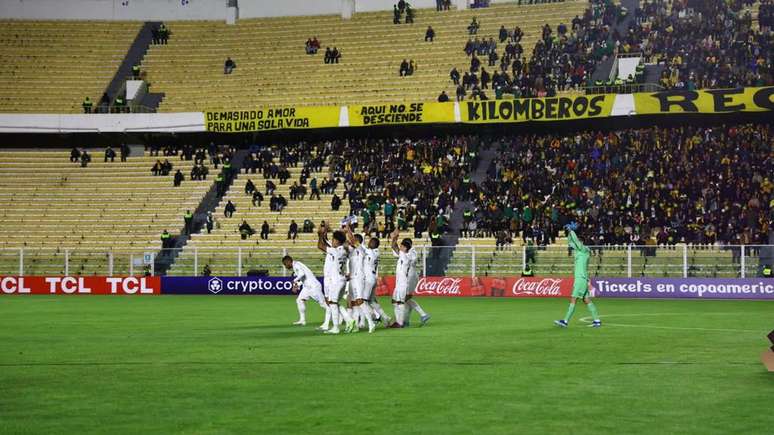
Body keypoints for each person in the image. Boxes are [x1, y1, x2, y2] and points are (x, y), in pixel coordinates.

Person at [555, 223, 601, 328]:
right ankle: (597, 320)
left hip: (580, 279)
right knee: (586, 300)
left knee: (573, 299)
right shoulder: (579, 250)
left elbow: (575, 241)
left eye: (579, 241)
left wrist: (572, 231)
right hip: (582, 278)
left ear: (582, 242)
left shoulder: (584, 250)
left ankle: (565, 321)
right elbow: (571, 242)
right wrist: (568, 232)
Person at [317, 224, 355, 334]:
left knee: (333, 303)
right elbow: (353, 243)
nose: (332, 241)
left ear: (337, 241)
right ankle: (349, 320)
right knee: (334, 302)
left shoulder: (335, 251)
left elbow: (320, 246)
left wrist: (320, 235)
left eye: (333, 239)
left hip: (336, 281)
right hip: (342, 279)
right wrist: (348, 232)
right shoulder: (345, 250)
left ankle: (336, 328)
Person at [389, 230, 429, 327]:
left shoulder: (409, 254)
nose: (400, 247)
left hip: (408, 278)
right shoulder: (406, 253)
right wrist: (394, 238)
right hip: (406, 278)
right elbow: (395, 247)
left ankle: (403, 321)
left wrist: (394, 238)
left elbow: (397, 249)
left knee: (404, 299)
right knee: (403, 300)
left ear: (406, 247)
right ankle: (405, 320)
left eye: (402, 245)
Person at [344, 225, 377, 333]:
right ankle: (356, 325)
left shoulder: (361, 249)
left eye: (353, 240)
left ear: (358, 241)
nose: (351, 241)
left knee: (360, 301)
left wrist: (348, 230)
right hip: (352, 278)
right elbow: (345, 245)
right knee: (353, 302)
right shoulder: (351, 251)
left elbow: (352, 240)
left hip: (359, 278)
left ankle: (371, 323)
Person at [284, 255, 327, 326]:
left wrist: (294, 281)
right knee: (299, 300)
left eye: (285, 264)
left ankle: (339, 316)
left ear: (288, 261)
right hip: (307, 287)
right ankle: (302, 320)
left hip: (313, 286)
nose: (285, 266)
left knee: (323, 304)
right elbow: (304, 277)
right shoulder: (296, 265)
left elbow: (302, 274)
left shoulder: (297, 265)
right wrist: (298, 284)